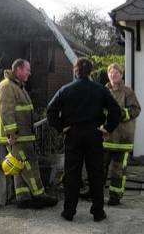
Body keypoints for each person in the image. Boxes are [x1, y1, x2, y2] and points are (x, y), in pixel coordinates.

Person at [47, 57, 121, 222]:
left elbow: (50, 110)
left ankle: (69, 211)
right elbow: (116, 111)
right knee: (96, 173)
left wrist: (61, 127)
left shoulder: (65, 89)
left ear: (75, 71)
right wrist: (107, 128)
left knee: (72, 174)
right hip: (94, 135)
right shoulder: (101, 90)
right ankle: (98, 212)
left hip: (73, 135)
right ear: (91, 72)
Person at [0, 59, 58, 209]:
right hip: (17, 136)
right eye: (27, 70)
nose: (30, 73)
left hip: (21, 135)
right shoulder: (7, 86)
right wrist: (11, 133)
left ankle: (23, 197)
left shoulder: (17, 86)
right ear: (19, 70)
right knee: (29, 164)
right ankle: (39, 195)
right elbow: (6, 111)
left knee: (20, 165)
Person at [104, 63, 141, 206]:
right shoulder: (104, 91)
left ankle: (115, 197)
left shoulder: (128, 92)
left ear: (121, 75)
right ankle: (96, 194)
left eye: (116, 73)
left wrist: (120, 114)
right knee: (100, 167)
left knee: (118, 170)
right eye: (111, 73)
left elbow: (136, 109)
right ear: (108, 75)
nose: (113, 76)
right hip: (106, 137)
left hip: (122, 138)